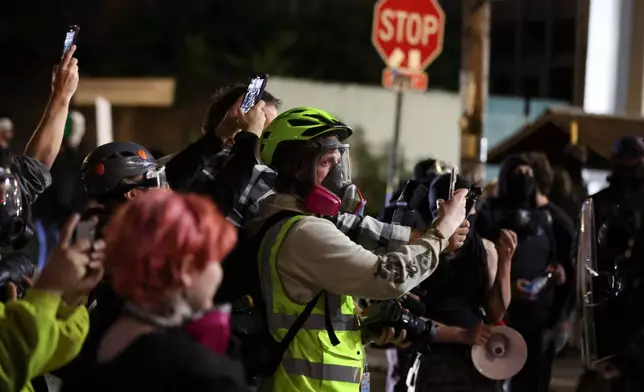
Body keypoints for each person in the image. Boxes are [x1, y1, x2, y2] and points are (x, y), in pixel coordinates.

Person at [246, 107, 469, 392]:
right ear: (295, 167)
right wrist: (442, 229)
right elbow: (391, 276)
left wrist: (365, 331)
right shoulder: (305, 232)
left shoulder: (292, 225)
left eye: (339, 163)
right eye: (327, 163)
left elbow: (312, 325)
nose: (337, 179)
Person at [61, 190, 248, 392]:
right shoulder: (207, 376)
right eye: (216, 261)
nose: (219, 273)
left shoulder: (93, 333)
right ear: (186, 269)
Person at [392, 174, 515, 392]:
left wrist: (505, 261)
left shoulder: (484, 250)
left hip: (476, 358)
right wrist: (461, 335)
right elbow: (408, 318)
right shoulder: (419, 252)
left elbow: (496, 313)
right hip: (434, 359)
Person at [476, 154, 567, 392]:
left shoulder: (543, 217)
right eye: (518, 174)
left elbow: (558, 249)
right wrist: (508, 287)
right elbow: (478, 263)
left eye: (529, 174)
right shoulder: (488, 215)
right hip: (501, 318)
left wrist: (556, 270)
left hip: (538, 321)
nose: (524, 178)